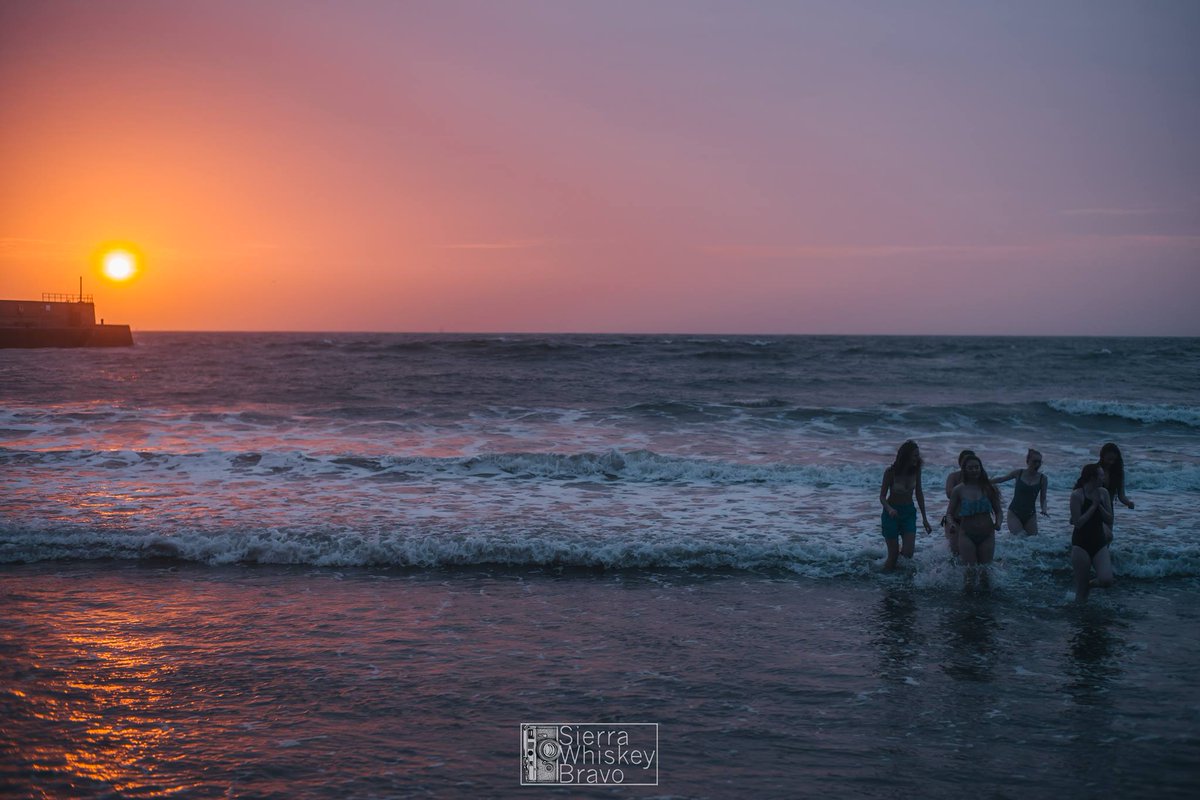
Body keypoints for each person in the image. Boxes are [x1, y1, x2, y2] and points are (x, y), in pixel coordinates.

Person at [948, 454, 1002, 589]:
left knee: (985, 572)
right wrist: (953, 524)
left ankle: (985, 602)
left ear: (981, 468)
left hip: (987, 535)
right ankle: (967, 601)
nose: (974, 470)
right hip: (966, 534)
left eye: (977, 467)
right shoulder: (958, 490)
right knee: (970, 571)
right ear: (964, 470)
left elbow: (998, 511)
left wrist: (998, 523)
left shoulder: (989, 488)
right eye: (970, 468)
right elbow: (949, 513)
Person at [879, 440, 933, 571]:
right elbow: (882, 497)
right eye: (915, 455)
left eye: (918, 455)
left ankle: (899, 578)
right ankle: (884, 580)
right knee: (893, 556)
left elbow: (919, 494)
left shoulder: (916, 471)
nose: (917, 458)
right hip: (891, 514)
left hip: (908, 513)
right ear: (906, 456)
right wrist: (890, 509)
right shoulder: (890, 472)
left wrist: (925, 519)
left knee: (908, 554)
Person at [1070, 463, 1114, 602]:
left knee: (1106, 580)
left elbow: (1110, 518)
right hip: (1080, 544)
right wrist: (1093, 506)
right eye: (1101, 475)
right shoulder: (1077, 495)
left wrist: (1099, 505)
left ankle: (1088, 585)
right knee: (1081, 594)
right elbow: (1078, 523)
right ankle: (1079, 619)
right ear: (1092, 478)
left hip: (1099, 541)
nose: (1104, 478)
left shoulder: (1103, 493)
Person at [993, 448, 1049, 535]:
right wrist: (984, 481)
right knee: (1019, 538)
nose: (1037, 464)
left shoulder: (1043, 478)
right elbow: (1001, 479)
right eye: (1034, 461)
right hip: (1014, 512)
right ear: (1028, 461)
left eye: (1039, 462)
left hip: (1031, 514)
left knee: (1033, 540)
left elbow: (1043, 497)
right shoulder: (1019, 473)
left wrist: (1044, 509)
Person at [941, 449, 975, 557]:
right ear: (960, 463)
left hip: (972, 520)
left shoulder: (978, 478)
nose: (967, 464)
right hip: (954, 520)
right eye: (965, 461)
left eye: (970, 461)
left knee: (970, 553)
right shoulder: (953, 477)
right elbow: (948, 494)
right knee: (954, 553)